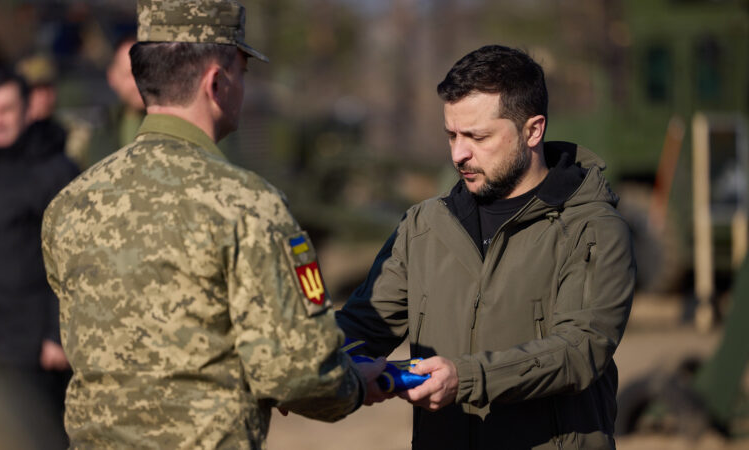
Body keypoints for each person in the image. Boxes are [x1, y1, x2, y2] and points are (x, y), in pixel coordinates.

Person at [40, 0, 386, 448]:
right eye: (243, 71)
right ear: (217, 82)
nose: (244, 86)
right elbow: (299, 373)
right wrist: (353, 385)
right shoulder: (249, 205)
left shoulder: (71, 203)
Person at [336, 45, 636, 449]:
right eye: (452, 135)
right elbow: (363, 327)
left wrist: (467, 378)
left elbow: (581, 349)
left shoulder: (592, 227)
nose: (459, 153)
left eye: (477, 137)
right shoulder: (424, 227)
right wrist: (301, 370)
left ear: (533, 130)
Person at [0, 67, 80, 448]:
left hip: (32, 350)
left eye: (5, 109)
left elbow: (71, 262)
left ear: (28, 108)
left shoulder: (55, 171)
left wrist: (58, 334)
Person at [80, 34, 145, 168]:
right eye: (129, 75)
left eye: (143, 73)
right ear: (112, 77)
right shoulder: (102, 127)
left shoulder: (168, 122)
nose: (137, 83)